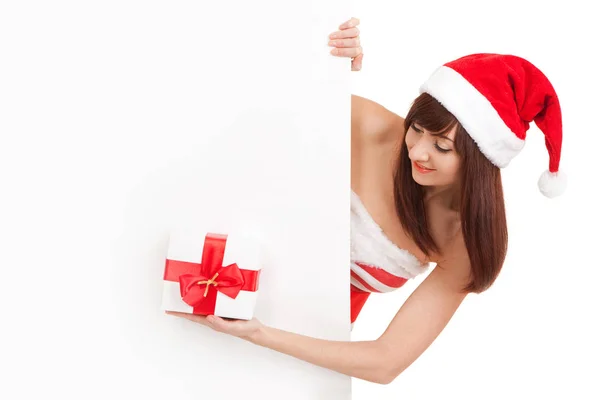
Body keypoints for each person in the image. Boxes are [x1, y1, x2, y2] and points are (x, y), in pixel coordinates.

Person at [166, 17, 567, 384]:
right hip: (205, 278)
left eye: (442, 146)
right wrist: (325, 65)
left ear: (482, 159)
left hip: (309, 352)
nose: (417, 152)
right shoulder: (370, 129)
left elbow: (386, 361)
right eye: (417, 129)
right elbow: (252, 94)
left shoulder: (463, 239)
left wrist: (258, 333)